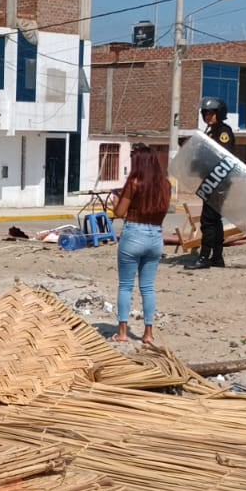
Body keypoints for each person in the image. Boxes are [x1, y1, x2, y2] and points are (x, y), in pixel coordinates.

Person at [113, 144, 172, 346]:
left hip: (134, 233)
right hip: (155, 236)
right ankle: (148, 333)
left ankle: (122, 332)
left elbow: (119, 213)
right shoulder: (166, 185)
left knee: (126, 286)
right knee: (147, 287)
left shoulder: (134, 182)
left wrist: (115, 199)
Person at [194, 96, 236, 269]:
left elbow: (219, 155)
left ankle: (204, 257)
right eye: (206, 113)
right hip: (211, 181)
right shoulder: (210, 132)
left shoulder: (223, 131)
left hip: (219, 183)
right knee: (215, 221)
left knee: (208, 221)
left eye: (212, 113)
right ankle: (217, 257)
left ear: (220, 114)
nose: (208, 117)